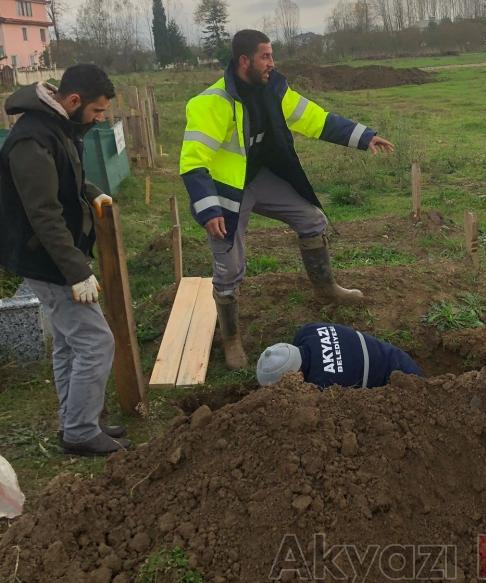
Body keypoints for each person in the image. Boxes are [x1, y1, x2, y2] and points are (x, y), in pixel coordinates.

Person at [180, 30, 394, 369]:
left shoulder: (276, 89)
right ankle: (231, 337)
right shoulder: (211, 103)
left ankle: (326, 289)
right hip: (228, 191)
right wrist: (209, 208)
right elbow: (193, 161)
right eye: (265, 56)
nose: (272, 62)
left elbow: (316, 120)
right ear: (244, 61)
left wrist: (364, 136)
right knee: (229, 267)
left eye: (272, 55)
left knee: (312, 220)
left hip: (263, 177)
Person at [0, 66, 129, 456]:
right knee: (95, 342)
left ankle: (76, 418)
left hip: (53, 255)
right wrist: (77, 271)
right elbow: (43, 213)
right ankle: (79, 431)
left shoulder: (57, 126)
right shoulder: (31, 140)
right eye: (96, 112)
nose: (99, 119)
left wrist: (91, 192)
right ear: (73, 101)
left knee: (71, 344)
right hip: (47, 259)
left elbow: (64, 178)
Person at [256, 322, 422, 388]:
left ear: (295, 377)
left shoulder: (322, 382)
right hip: (395, 355)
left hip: (405, 383)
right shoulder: (307, 332)